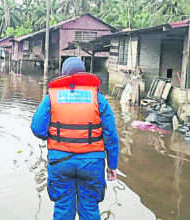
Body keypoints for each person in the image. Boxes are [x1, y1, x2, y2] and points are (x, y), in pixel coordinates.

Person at [31, 57, 119, 220]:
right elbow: (111, 135)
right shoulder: (98, 98)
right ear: (84, 73)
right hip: (92, 163)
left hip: (60, 162)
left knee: (63, 207)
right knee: (90, 207)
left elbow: (37, 128)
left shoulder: (52, 96)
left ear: (64, 74)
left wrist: (54, 136)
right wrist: (112, 165)